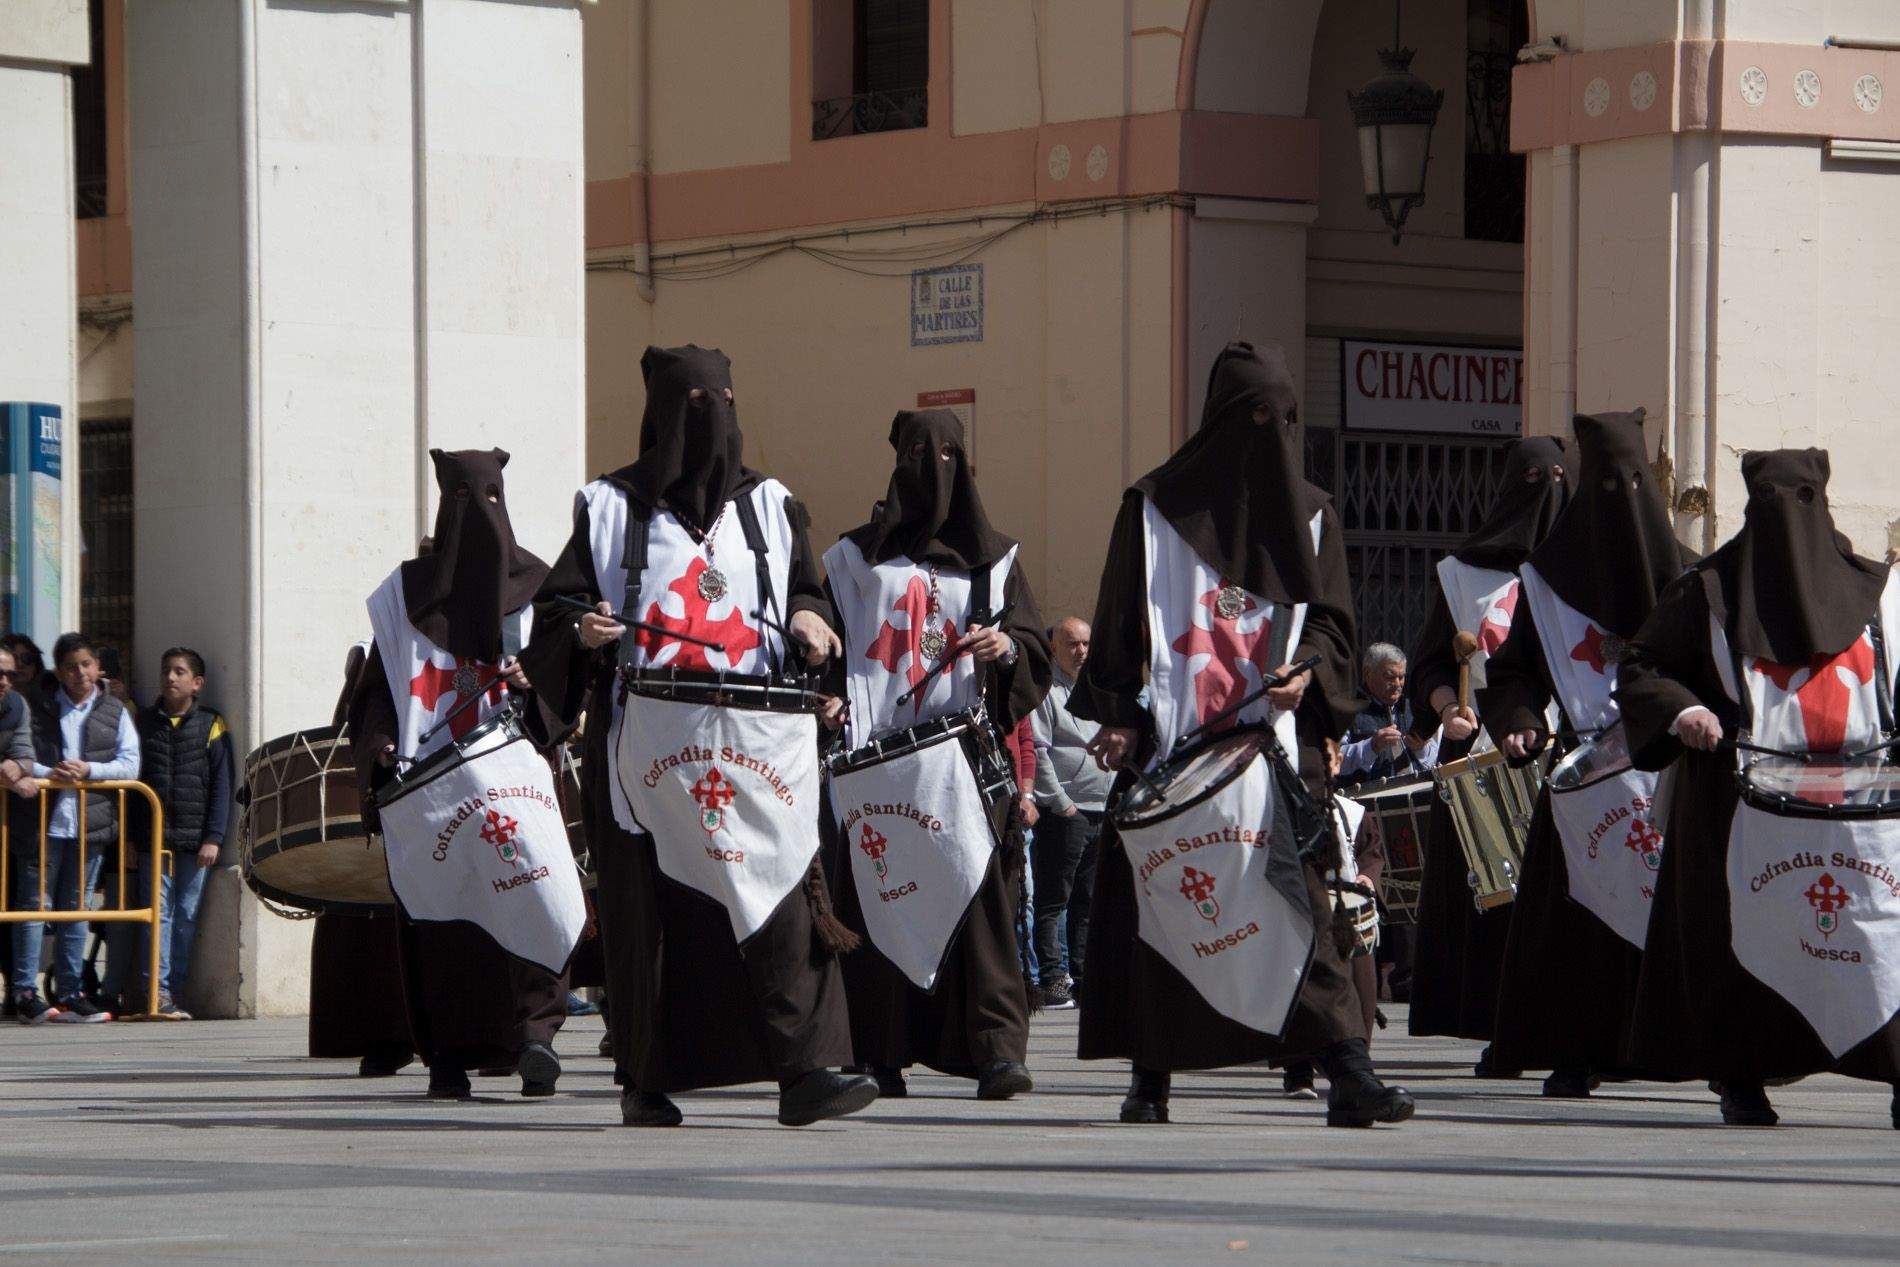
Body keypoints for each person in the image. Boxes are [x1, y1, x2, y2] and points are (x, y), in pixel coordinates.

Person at [523, 344, 874, 1128]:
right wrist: (580, 626)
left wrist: (814, 620)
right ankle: (647, 1079)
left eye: (723, 399)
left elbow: (805, 592)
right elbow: (554, 611)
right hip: (646, 741)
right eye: (694, 403)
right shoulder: (608, 507)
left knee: (783, 890)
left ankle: (806, 1070)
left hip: (755, 740)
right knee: (653, 913)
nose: (712, 418)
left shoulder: (773, 506)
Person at [1071, 341, 1413, 1128]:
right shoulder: (1152, 511)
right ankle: (1150, 1077)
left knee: (1306, 911)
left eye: (1286, 420)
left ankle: (1347, 1071)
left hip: (1276, 755)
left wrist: (1311, 676)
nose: (1274, 434)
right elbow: (1124, 618)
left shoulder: (1315, 514)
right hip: (1177, 748)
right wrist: (1120, 719)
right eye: (1258, 418)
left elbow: (1331, 624)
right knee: (1165, 912)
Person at [1619, 449, 1900, 1128]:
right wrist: (1684, 710)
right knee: (1742, 943)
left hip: (1864, 809)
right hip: (1736, 804)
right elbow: (1643, 665)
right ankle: (1741, 1075)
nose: (1786, 521)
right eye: (1772, 504)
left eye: (1800, 502)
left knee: (1876, 939)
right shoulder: (1707, 590)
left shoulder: (1881, 593)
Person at [821, 407, 1052, 1101]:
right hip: (875, 766)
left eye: (947, 453)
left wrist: (1005, 648)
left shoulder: (997, 559)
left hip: (964, 765)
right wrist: (826, 694)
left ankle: (995, 1050)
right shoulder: (852, 559)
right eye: (918, 451)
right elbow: (825, 641)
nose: (932, 465)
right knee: (879, 904)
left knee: (980, 907)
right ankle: (878, 1051)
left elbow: (1032, 646)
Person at [1478, 409, 1693, 1098]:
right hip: (1582, 782)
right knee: (1572, 927)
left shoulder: (1685, 578)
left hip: (1667, 770)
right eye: (1605, 485)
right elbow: (1514, 671)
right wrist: (1517, 720)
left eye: (1631, 484)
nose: (1619, 502)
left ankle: (1672, 1044)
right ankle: (1573, 1049)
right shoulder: (1546, 584)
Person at [350, 449, 576, 1099]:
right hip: (432, 788)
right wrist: (384, 743)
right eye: (462, 501)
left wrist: (539, 683)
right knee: (440, 922)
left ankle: (537, 1038)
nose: (477, 514)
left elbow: (565, 685)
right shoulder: (403, 596)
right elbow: (377, 690)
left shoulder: (538, 586)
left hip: (513, 776)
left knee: (535, 888)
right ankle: (447, 1055)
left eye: (489, 499)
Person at [1404, 436, 1569, 1065]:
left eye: (1559, 478)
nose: (1546, 492)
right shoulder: (1461, 576)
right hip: (1487, 762)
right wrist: (1450, 708)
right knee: (1500, 898)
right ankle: (1505, 1026)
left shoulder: (1584, 578)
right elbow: (1428, 666)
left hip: (1567, 756)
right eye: (1534, 479)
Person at [10, 633, 140, 1024]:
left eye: (86, 664)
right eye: (71, 666)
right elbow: (22, 754)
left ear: (97, 667)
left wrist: (90, 771)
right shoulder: (36, 704)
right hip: (41, 824)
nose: (80, 673)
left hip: (89, 826)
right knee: (34, 907)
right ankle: (25, 991)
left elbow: (130, 764)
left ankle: (71, 992)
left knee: (77, 909)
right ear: (60, 672)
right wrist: (54, 773)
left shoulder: (114, 709)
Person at [99, 647, 235, 1018]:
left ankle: (172, 989)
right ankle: (154, 990)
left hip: (195, 842)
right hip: (151, 839)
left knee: (186, 915)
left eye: (179, 672)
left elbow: (222, 785)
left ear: (197, 683)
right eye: (166, 671)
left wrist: (214, 837)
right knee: (157, 915)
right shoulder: (143, 723)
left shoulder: (211, 724)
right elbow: (132, 783)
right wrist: (128, 837)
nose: (170, 678)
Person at [308, 641, 416, 1076]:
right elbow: (347, 736)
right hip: (377, 816)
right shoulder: (378, 656)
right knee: (364, 926)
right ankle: (383, 1037)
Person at [1030, 616, 1112, 1009]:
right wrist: (1060, 802)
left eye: (1085, 644)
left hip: (1101, 807)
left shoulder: (1097, 688)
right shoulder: (1045, 691)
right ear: (1054, 649)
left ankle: (1082, 976)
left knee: (1088, 900)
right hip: (1067, 811)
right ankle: (1051, 978)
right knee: (1054, 900)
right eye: (1072, 644)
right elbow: (1039, 749)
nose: (1080, 651)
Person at [1339, 645, 1437, 785]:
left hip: (1416, 796)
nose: (1397, 684)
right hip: (1365, 801)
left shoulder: (1412, 708)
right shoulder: (1348, 708)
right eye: (1389, 676)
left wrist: (1422, 749)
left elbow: (1436, 760)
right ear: (1368, 674)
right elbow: (1333, 760)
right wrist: (1371, 746)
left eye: (1401, 677)